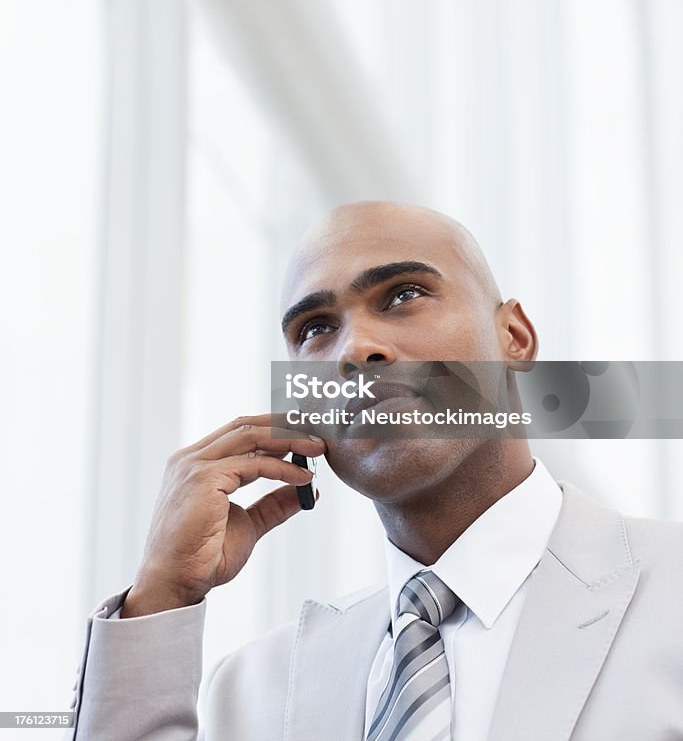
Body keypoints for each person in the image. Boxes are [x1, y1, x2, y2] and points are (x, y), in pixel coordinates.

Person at [68, 202, 683, 740]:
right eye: (316, 329)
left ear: (514, 338)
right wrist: (162, 597)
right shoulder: (251, 692)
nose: (356, 349)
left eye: (404, 294)